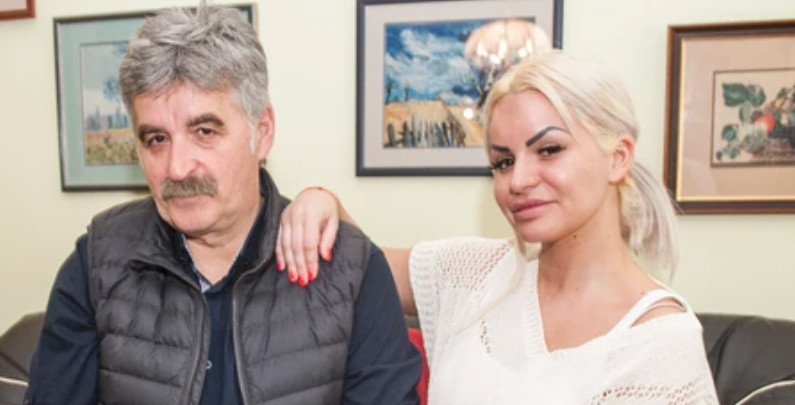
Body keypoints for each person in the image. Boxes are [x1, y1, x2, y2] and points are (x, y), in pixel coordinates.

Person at [25, 3, 421, 405]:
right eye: (157, 139)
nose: (177, 168)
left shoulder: (351, 270)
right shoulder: (97, 261)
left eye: (204, 131)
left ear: (261, 133)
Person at [275, 51, 720, 404]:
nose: (518, 180)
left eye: (549, 150)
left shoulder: (659, 342)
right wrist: (322, 200)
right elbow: (363, 267)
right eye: (503, 161)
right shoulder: (470, 273)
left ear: (618, 158)